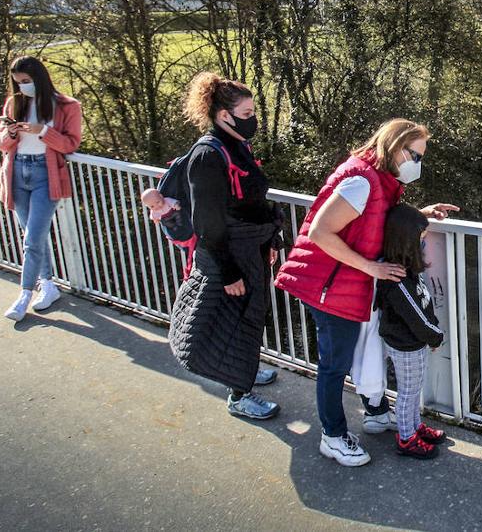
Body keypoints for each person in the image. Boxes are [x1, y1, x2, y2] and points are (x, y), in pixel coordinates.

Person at [275, 118, 458, 467]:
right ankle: (333, 437)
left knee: (366, 351)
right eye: (415, 156)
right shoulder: (361, 181)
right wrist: (372, 268)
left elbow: (373, 222)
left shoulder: (381, 181)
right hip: (330, 287)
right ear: (394, 147)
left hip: (351, 284)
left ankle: (375, 414)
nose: (418, 165)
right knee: (334, 365)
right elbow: (320, 233)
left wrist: (421, 215)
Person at [166, 72, 282, 420]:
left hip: (250, 249)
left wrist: (270, 241)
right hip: (228, 255)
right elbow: (207, 222)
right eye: (247, 115)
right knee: (230, 319)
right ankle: (239, 394)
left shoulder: (235, 145)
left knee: (251, 315)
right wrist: (229, 271)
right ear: (223, 115)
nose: (253, 120)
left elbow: (252, 201)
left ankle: (244, 370)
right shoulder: (208, 156)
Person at [0, 56, 83, 322]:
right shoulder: (14, 103)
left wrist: (43, 130)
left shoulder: (66, 106)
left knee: (32, 238)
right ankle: (48, 283)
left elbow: (70, 144)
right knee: (32, 235)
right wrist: (10, 133)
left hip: (46, 174)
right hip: (17, 172)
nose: (22, 87)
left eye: (27, 82)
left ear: (39, 79)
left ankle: (24, 295)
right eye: (18, 82)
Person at [376, 203, 446, 459]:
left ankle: (414, 427)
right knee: (408, 393)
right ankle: (406, 439)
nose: (423, 243)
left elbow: (421, 306)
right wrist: (435, 335)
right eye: (421, 238)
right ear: (406, 240)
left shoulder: (405, 270)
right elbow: (415, 315)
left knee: (413, 388)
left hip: (411, 341)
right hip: (406, 343)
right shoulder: (397, 279)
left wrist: (431, 330)